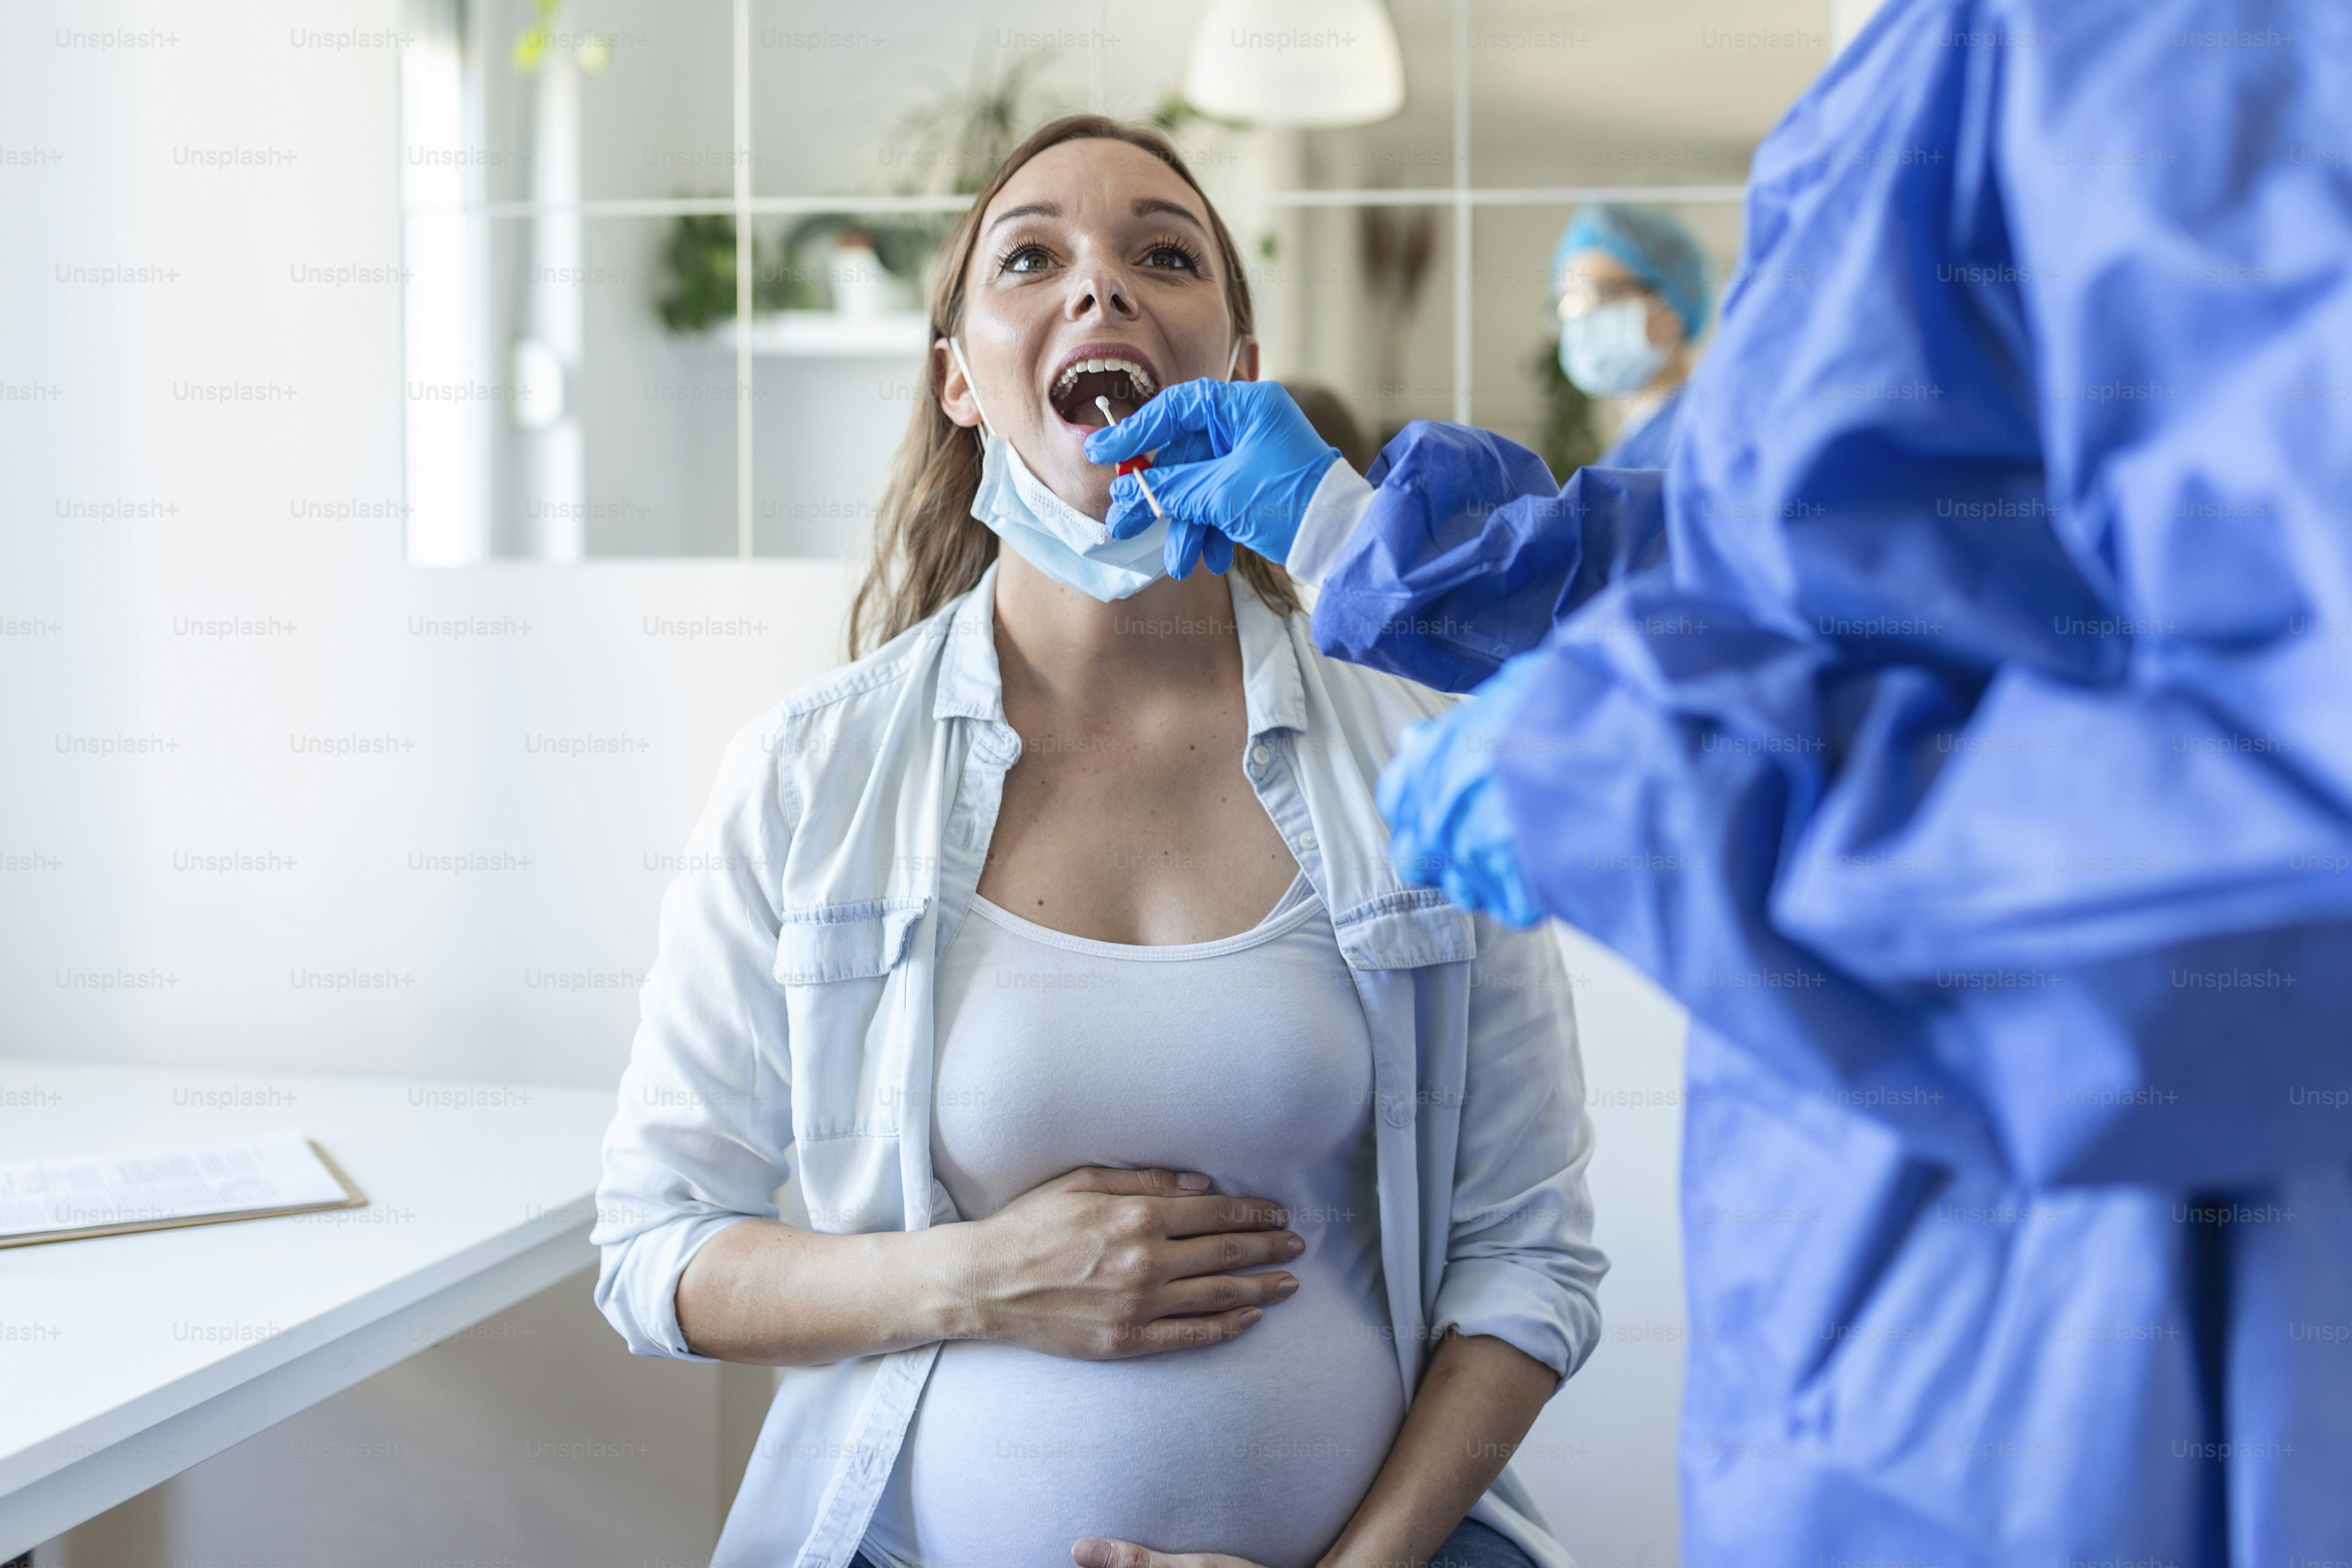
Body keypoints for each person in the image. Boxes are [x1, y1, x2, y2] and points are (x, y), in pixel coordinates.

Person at [1083, 0, 2352, 1561]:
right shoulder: (1938, 64)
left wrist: (1670, 789)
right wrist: (1361, 533)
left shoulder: (2174, 49)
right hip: (1879, 1331)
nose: (1096, 291)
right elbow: (1810, 568)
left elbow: (2303, 796)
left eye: (1162, 253)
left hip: (2099, 1362)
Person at [590, 115, 1608, 1568]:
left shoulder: (1421, 757)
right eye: (1031, 256)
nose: (1100, 286)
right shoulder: (810, 777)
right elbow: (654, 1251)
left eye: (1162, 254)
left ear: (1238, 380)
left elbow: (1530, 1257)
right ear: (957, 380)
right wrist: (975, 1277)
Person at [1548, 204, 1710, 471]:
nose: (1582, 323)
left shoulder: (1704, 438)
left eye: (1603, 294)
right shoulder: (1629, 457)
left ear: (1670, 306)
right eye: (1570, 305)